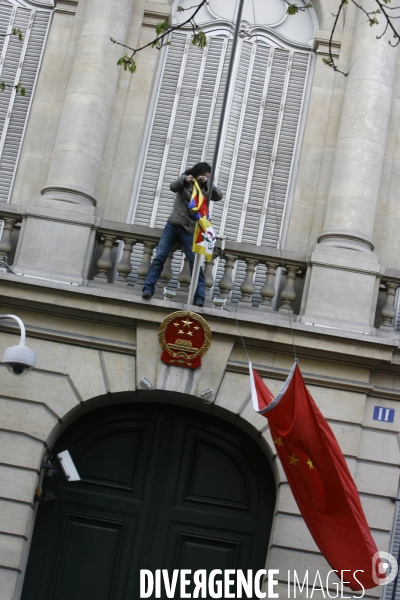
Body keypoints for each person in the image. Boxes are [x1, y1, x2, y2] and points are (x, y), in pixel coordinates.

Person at [142, 162, 223, 307]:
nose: (204, 178)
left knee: (195, 263)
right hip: (174, 225)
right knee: (160, 256)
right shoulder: (185, 181)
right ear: (198, 173)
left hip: (190, 230)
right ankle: (148, 288)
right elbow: (173, 187)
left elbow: (218, 196)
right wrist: (185, 180)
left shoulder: (206, 188)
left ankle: (199, 298)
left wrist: (209, 183)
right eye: (204, 176)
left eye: (207, 177)